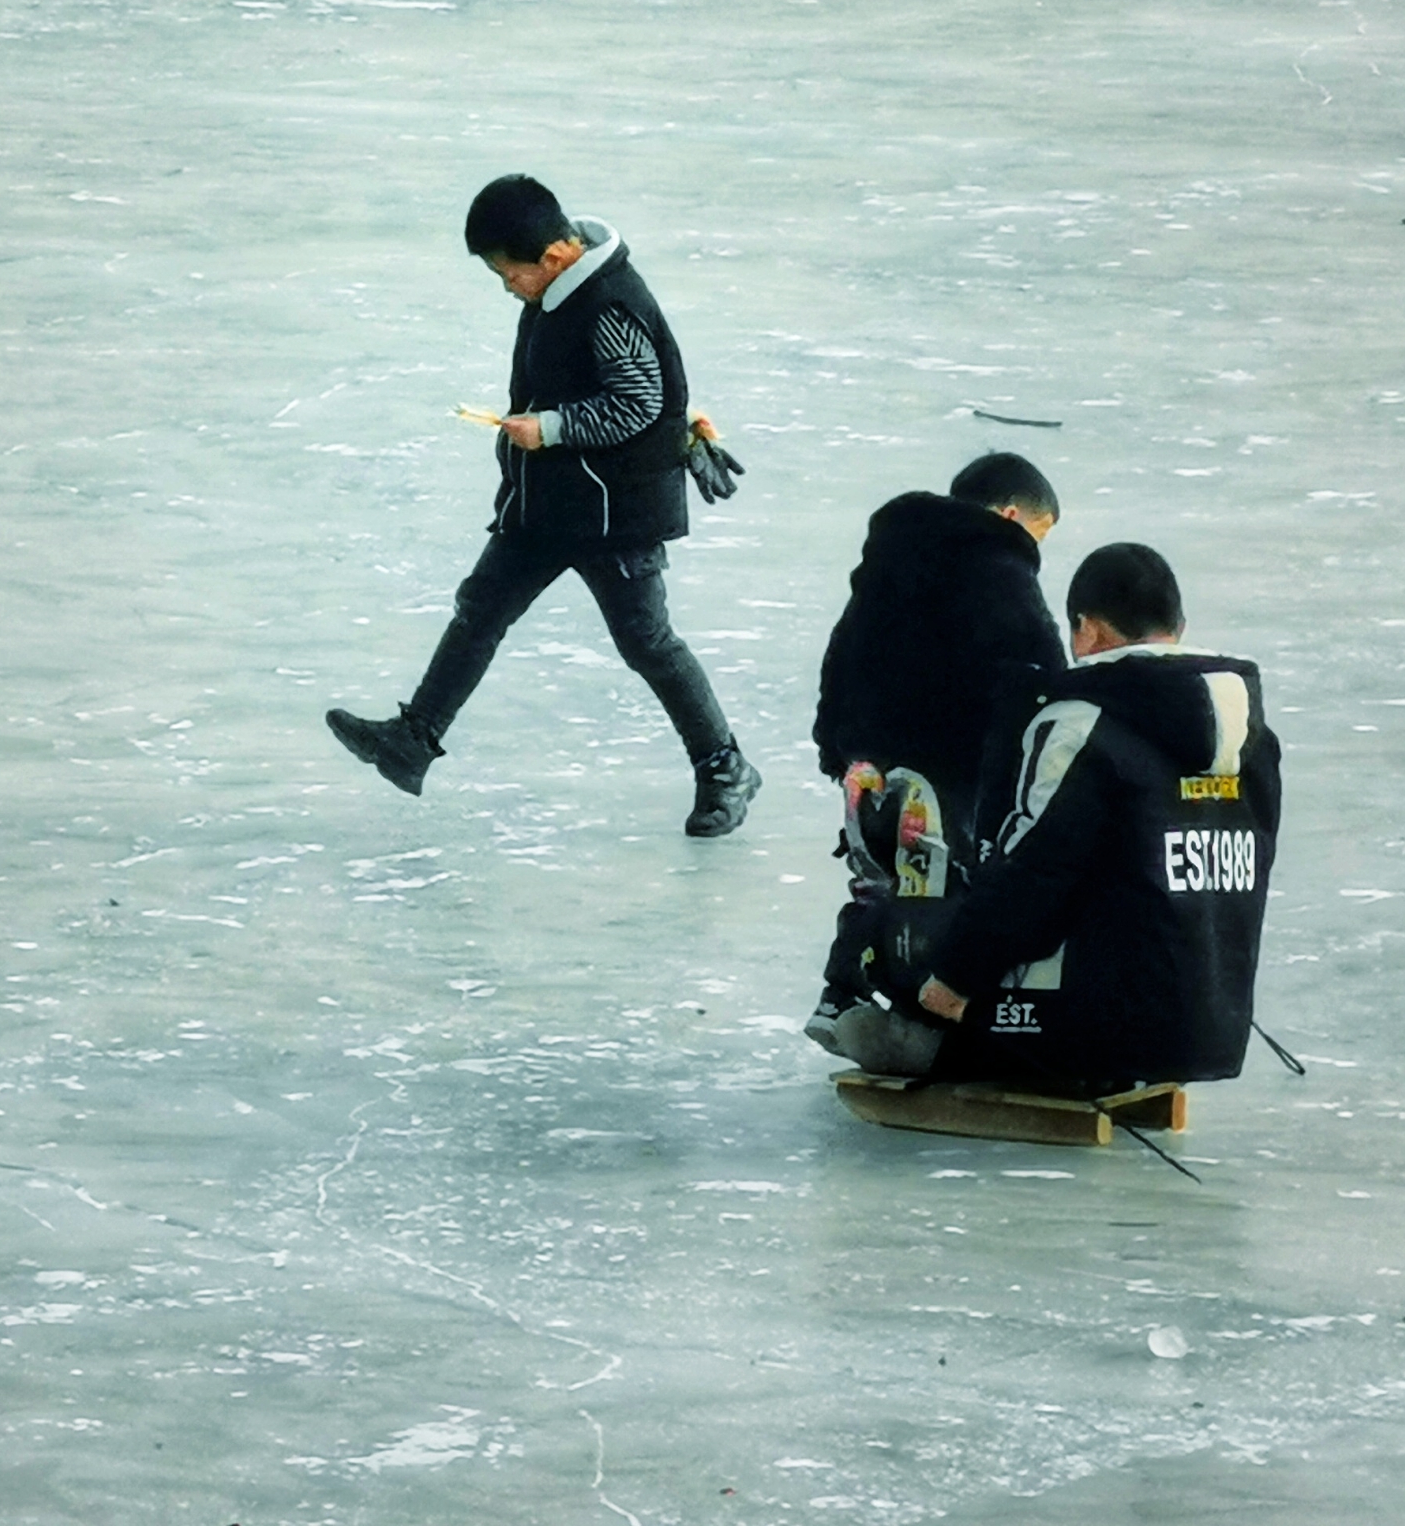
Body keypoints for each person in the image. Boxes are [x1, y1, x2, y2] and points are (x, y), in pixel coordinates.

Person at [325, 174, 760, 834]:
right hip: (548, 502)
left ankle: (726, 768)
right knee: (482, 607)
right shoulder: (565, 285)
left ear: (553, 258)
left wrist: (550, 427)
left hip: (614, 514)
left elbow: (638, 403)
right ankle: (413, 741)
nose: (507, 287)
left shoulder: (608, 303)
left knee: (647, 643)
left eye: (508, 275)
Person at [818, 541, 1283, 1095]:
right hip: (1211, 1022)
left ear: (1086, 630)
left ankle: (934, 1045)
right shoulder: (1254, 739)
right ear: (1179, 626)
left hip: (1093, 1024)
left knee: (900, 932)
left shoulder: (1081, 725)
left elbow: (1032, 875)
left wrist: (955, 979)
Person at [804, 453, 1067, 1038]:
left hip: (867, 766)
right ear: (1009, 513)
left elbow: (841, 653)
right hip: (951, 768)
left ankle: (841, 991)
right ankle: (928, 1016)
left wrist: (836, 748)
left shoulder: (893, 553)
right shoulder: (999, 566)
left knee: (878, 883)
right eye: (1038, 534)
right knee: (948, 886)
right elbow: (1040, 671)